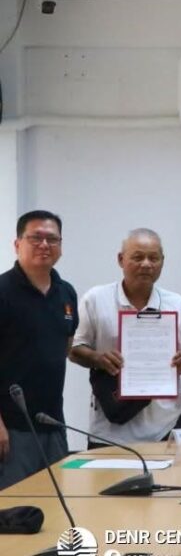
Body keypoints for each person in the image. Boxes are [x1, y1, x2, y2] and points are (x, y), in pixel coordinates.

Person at [70, 229, 181, 448]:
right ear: (121, 259)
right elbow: (74, 349)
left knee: (172, 483)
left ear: (162, 261)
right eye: (138, 257)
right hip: (110, 431)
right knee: (109, 484)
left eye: (153, 258)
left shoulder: (177, 304)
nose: (146, 264)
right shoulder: (96, 299)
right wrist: (99, 358)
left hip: (168, 424)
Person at [0, 210, 78, 489]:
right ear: (17, 244)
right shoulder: (3, 291)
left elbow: (65, 346)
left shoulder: (66, 293)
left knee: (56, 507)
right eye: (35, 238)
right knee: (13, 514)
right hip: (11, 429)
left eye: (52, 239)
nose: (44, 244)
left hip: (53, 423)